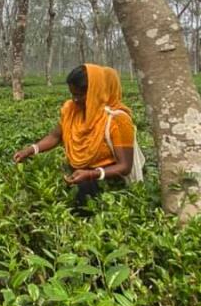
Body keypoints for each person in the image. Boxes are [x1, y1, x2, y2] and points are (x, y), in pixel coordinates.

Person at [13, 64, 144, 211]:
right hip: (79, 175)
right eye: (72, 94)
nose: (75, 100)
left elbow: (124, 167)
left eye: (80, 95)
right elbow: (55, 136)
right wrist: (30, 150)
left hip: (105, 182)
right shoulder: (72, 110)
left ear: (95, 91)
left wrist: (91, 174)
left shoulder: (117, 120)